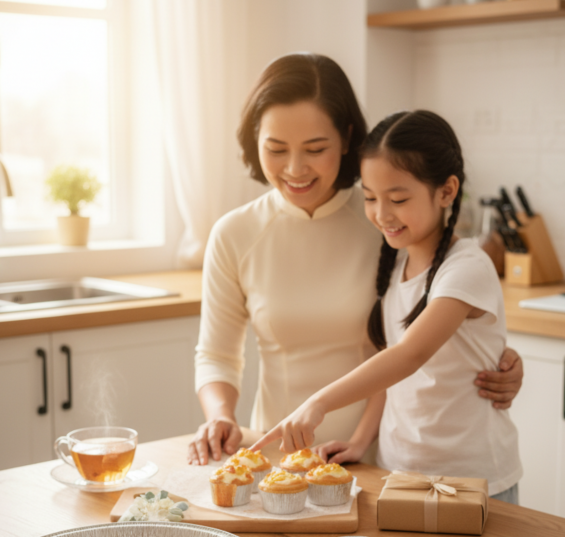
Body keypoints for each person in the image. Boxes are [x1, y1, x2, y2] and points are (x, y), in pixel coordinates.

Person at [188, 54, 523, 469]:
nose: (295, 168)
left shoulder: (387, 227)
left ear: (347, 140)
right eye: (276, 149)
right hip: (278, 453)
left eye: (315, 148)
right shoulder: (236, 234)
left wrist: (498, 356)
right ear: (255, 140)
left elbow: (427, 331)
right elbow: (217, 355)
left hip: (378, 459)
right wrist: (220, 415)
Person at [252, 110, 523, 503]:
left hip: (473, 481)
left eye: (398, 199)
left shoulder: (468, 267)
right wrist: (362, 440)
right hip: (402, 472)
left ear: (447, 191)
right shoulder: (396, 265)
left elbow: (408, 355)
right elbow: (389, 367)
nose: (382, 213)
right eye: (371, 198)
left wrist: (318, 403)